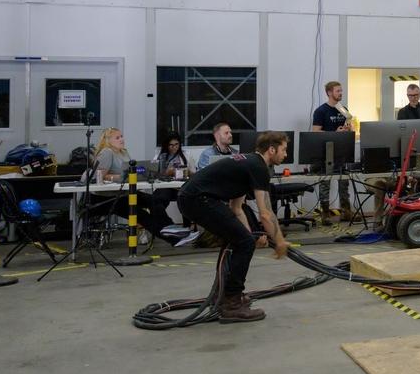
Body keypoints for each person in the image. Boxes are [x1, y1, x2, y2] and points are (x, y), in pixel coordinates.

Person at [176, 131, 292, 323]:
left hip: (192, 198)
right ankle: (231, 303)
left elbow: (236, 208)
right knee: (244, 243)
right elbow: (266, 214)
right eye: (284, 150)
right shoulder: (259, 167)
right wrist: (280, 242)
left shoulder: (249, 163)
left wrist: (248, 235)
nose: (286, 154)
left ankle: (224, 294)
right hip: (197, 199)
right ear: (271, 150)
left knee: (240, 240)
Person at [84, 128, 185, 247]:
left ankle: (172, 228)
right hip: (108, 197)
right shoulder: (107, 152)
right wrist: (121, 177)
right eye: (117, 138)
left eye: (121, 136)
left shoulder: (123, 153)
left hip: (125, 192)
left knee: (154, 200)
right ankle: (174, 239)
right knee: (142, 215)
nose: (121, 139)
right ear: (108, 140)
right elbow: (100, 176)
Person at [312, 80, 353, 223]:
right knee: (325, 183)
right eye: (338, 91)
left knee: (344, 183)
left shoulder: (343, 109)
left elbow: (350, 127)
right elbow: (315, 132)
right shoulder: (321, 111)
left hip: (342, 152)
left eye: (341, 90)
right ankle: (325, 214)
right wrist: (334, 133)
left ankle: (346, 211)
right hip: (326, 153)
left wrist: (348, 129)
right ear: (329, 93)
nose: (341, 93)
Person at [150, 132, 196, 241]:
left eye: (176, 144)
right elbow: (153, 174)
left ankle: (187, 226)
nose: (174, 147)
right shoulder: (159, 156)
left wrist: (186, 171)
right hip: (165, 187)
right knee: (157, 200)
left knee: (185, 198)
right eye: (171, 145)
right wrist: (167, 172)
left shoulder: (186, 155)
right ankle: (164, 226)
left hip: (181, 187)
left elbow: (195, 174)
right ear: (166, 145)